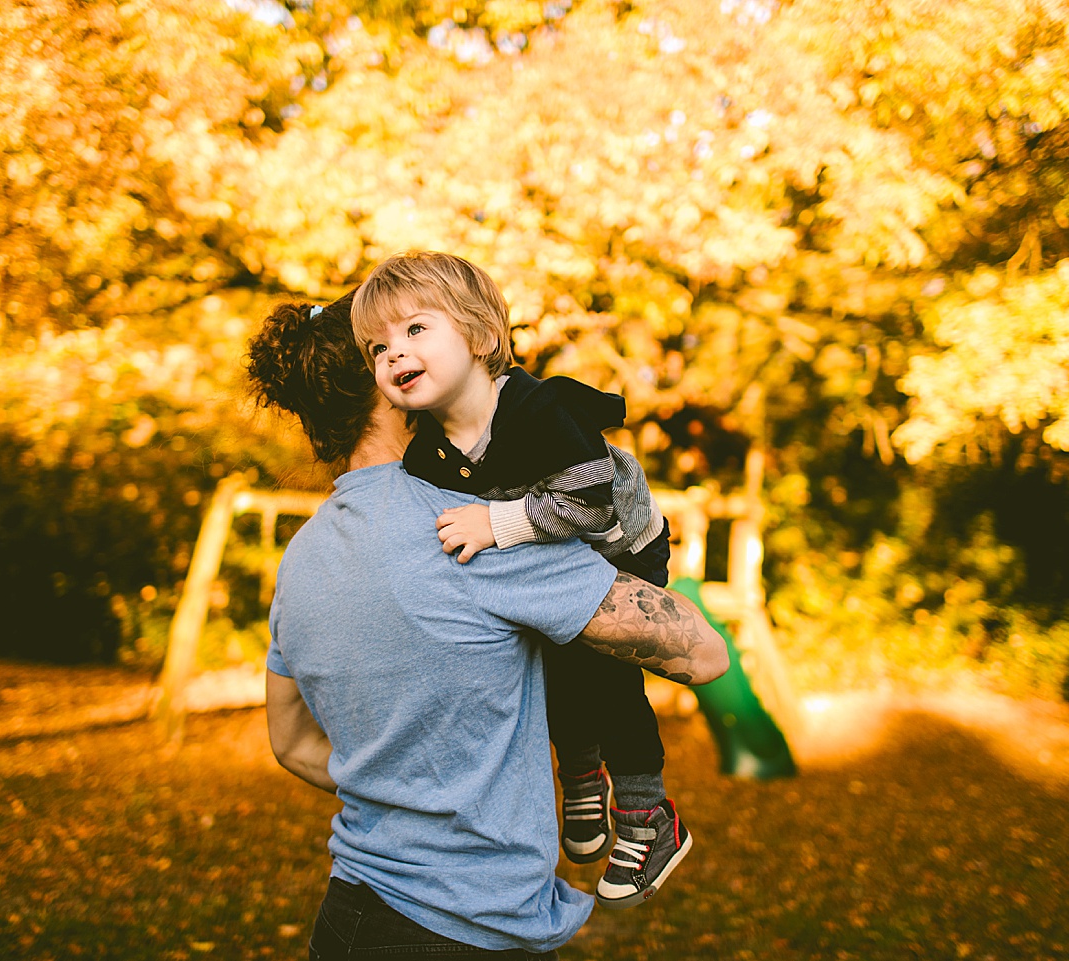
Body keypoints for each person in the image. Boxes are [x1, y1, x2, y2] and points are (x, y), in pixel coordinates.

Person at [247, 291, 729, 958]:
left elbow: (292, 741)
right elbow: (703, 653)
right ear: (388, 386)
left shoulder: (299, 559)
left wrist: (407, 788)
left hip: (350, 919)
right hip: (471, 931)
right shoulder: (472, 531)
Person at [350, 251, 685, 908]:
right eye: (377, 346)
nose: (393, 353)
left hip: (620, 547)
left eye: (415, 330)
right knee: (544, 662)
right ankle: (581, 770)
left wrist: (496, 523)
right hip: (548, 559)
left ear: (478, 334)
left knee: (607, 670)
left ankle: (651, 813)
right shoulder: (429, 451)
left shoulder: (540, 408)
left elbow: (591, 505)